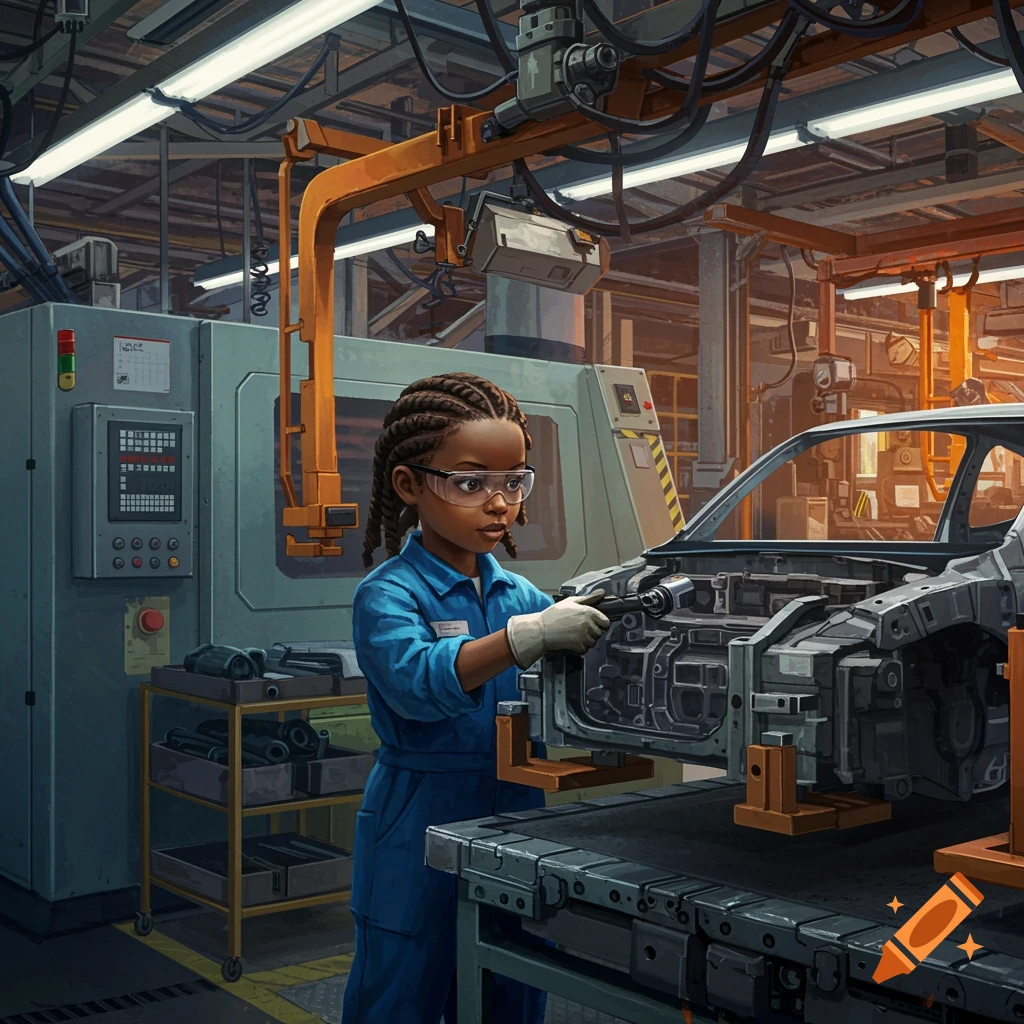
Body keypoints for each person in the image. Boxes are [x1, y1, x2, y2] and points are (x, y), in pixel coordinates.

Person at [341, 372, 610, 1024]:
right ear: (409, 485)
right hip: (419, 818)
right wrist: (528, 636)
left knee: (514, 987)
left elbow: (583, 673)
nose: (499, 504)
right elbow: (416, 681)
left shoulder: (519, 595)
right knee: (402, 989)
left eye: (514, 482)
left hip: (519, 811)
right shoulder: (388, 595)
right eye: (471, 483)